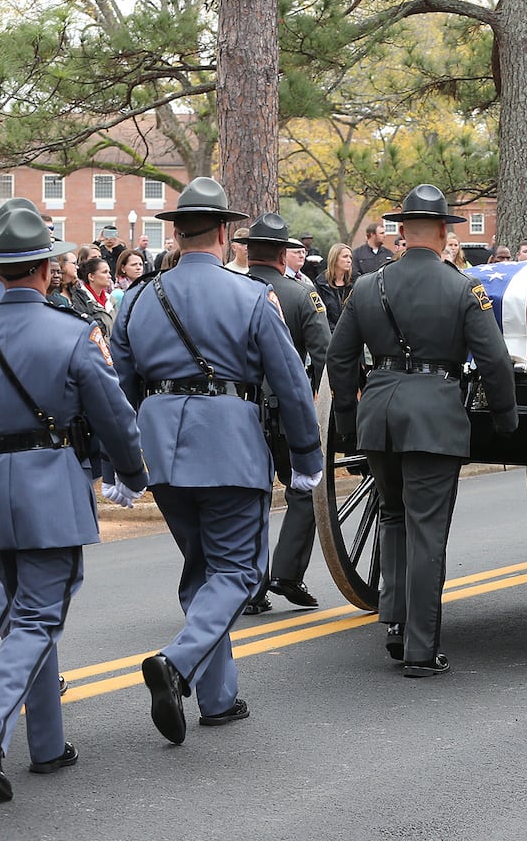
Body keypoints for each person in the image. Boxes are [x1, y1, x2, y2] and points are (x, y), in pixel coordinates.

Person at [109, 177, 322, 744]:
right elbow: (292, 384)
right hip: (227, 440)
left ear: (177, 233)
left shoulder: (136, 297)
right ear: (226, 233)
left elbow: (121, 388)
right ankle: (177, 663)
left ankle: (218, 698)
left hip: (163, 447)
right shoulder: (251, 295)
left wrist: (122, 464)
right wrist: (306, 456)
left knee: (203, 570)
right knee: (240, 570)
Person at [0, 207, 146, 800]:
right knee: (40, 615)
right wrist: (133, 472)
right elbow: (114, 416)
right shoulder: (71, 331)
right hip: (49, 484)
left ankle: (45, 744)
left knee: (23, 611)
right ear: (46, 269)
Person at [326, 184, 518, 677]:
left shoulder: (368, 286)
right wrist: (504, 419)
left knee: (393, 516)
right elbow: (494, 359)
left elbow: (340, 356)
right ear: (441, 232)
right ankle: (419, 649)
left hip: (381, 415)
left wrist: (347, 420)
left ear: (402, 233)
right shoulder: (461, 288)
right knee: (427, 530)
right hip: (433, 413)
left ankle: (393, 623)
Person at [237, 214, 331, 615]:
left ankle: (252, 586)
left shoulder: (232, 289)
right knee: (305, 489)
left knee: (250, 496)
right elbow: (324, 352)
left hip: (238, 408)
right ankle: (288, 571)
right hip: (286, 406)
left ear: (247, 251)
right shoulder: (299, 295)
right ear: (282, 253)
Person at [69, 256, 116, 337]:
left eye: (109, 272)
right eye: (104, 272)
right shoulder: (81, 300)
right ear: (91, 276)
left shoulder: (111, 300)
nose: (109, 276)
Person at [316, 242, 354, 330]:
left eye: (350, 257)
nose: (349, 260)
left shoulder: (355, 283)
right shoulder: (320, 284)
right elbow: (320, 315)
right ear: (334, 259)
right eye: (345, 256)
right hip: (330, 334)